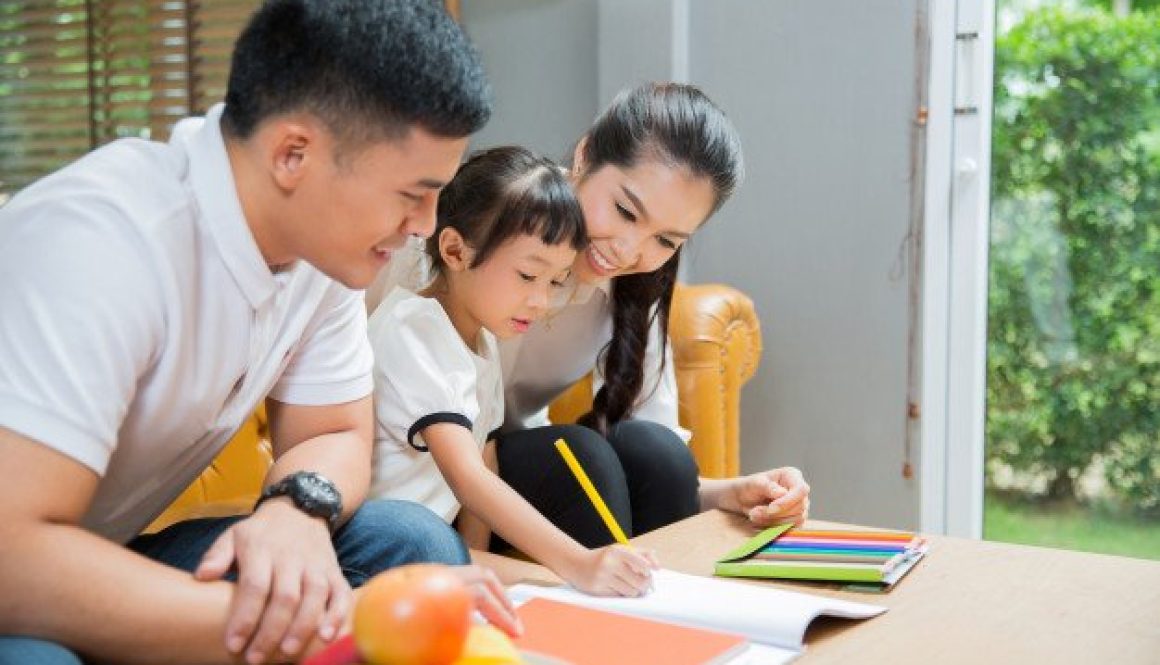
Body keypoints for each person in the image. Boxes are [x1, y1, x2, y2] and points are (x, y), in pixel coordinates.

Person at [0, 1, 515, 664]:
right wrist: (337, 624)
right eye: (412, 192)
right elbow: (11, 554)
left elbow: (335, 432)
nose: (425, 222)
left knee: (408, 544)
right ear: (292, 154)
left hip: (98, 550)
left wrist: (295, 509)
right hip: (17, 562)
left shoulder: (324, 250)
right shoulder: (104, 241)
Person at [495, 83, 811, 548]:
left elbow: (661, 465)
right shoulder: (492, 220)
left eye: (666, 240)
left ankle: (666, 614)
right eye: (625, 210)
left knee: (658, 453)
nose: (628, 250)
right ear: (584, 155)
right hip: (435, 464)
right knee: (580, 457)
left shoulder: (633, 285)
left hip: (518, 473)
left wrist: (738, 493)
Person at [368, 146, 659, 599]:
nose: (542, 301)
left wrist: (472, 561)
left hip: (434, 544)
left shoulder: (481, 341)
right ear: (454, 251)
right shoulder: (415, 328)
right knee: (563, 580)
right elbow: (467, 475)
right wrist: (579, 561)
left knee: (558, 588)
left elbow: (486, 459)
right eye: (528, 276)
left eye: (556, 281)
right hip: (385, 544)